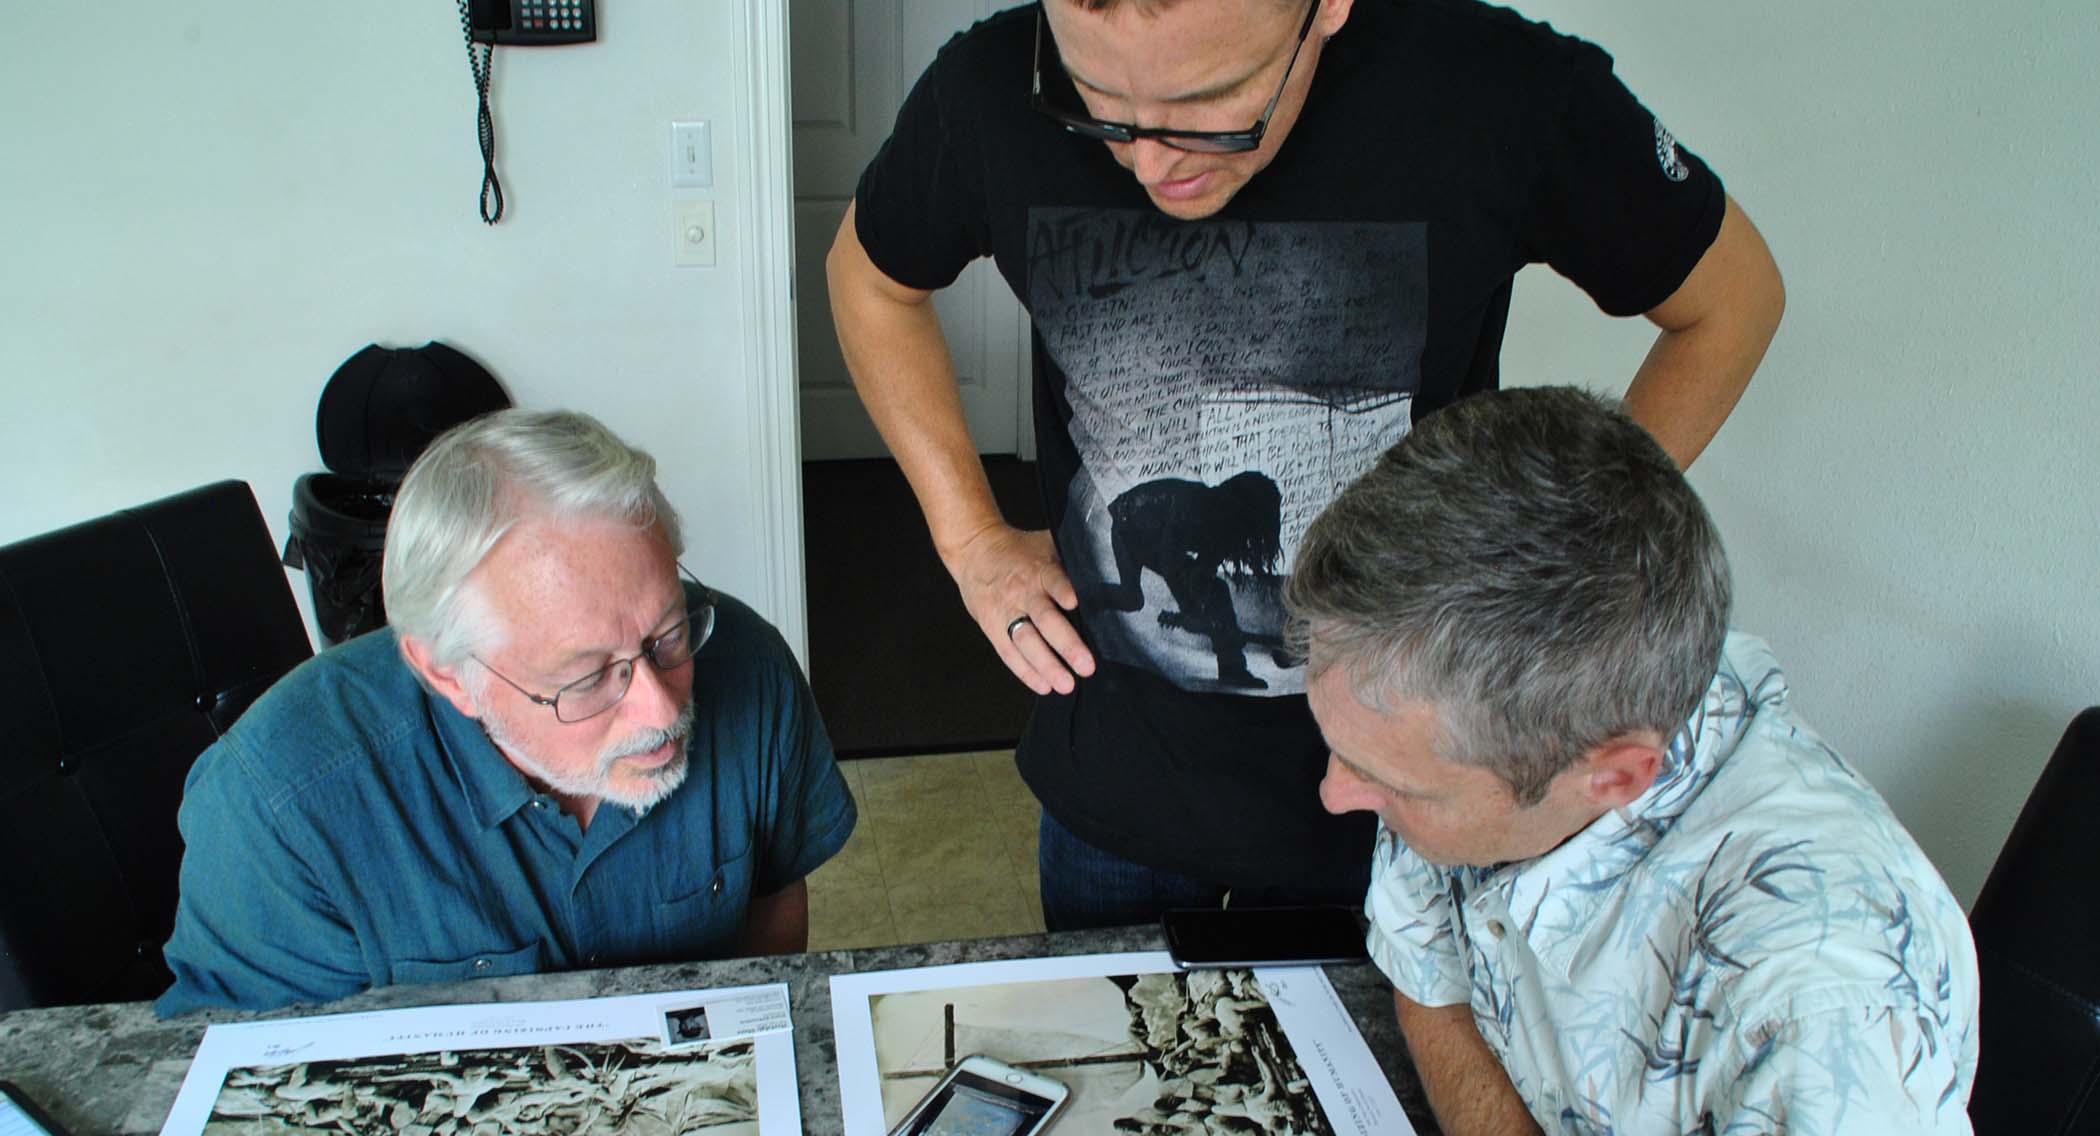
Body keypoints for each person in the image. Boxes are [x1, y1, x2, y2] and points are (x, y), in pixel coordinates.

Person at [827, 0, 1784, 930]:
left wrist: (1553, 570)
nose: (1151, 161)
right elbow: (870, 279)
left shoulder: (1510, 92)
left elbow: (1730, 302)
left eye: (1211, 106)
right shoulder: (989, 85)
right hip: (1123, 778)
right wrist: (968, 539)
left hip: (1401, 794)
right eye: (1100, 106)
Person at [1166, 387, 1996, 1136]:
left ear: (1610, 778)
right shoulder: (1503, 711)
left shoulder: (1819, 1002)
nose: (1339, 796)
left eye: (1395, 786)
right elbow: (1428, 981)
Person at [156, 410, 857, 1016]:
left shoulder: (752, 670)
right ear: (449, 675)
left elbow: (772, 904)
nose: (661, 705)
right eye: (586, 677)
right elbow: (244, 1082)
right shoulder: (279, 805)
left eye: (667, 635)